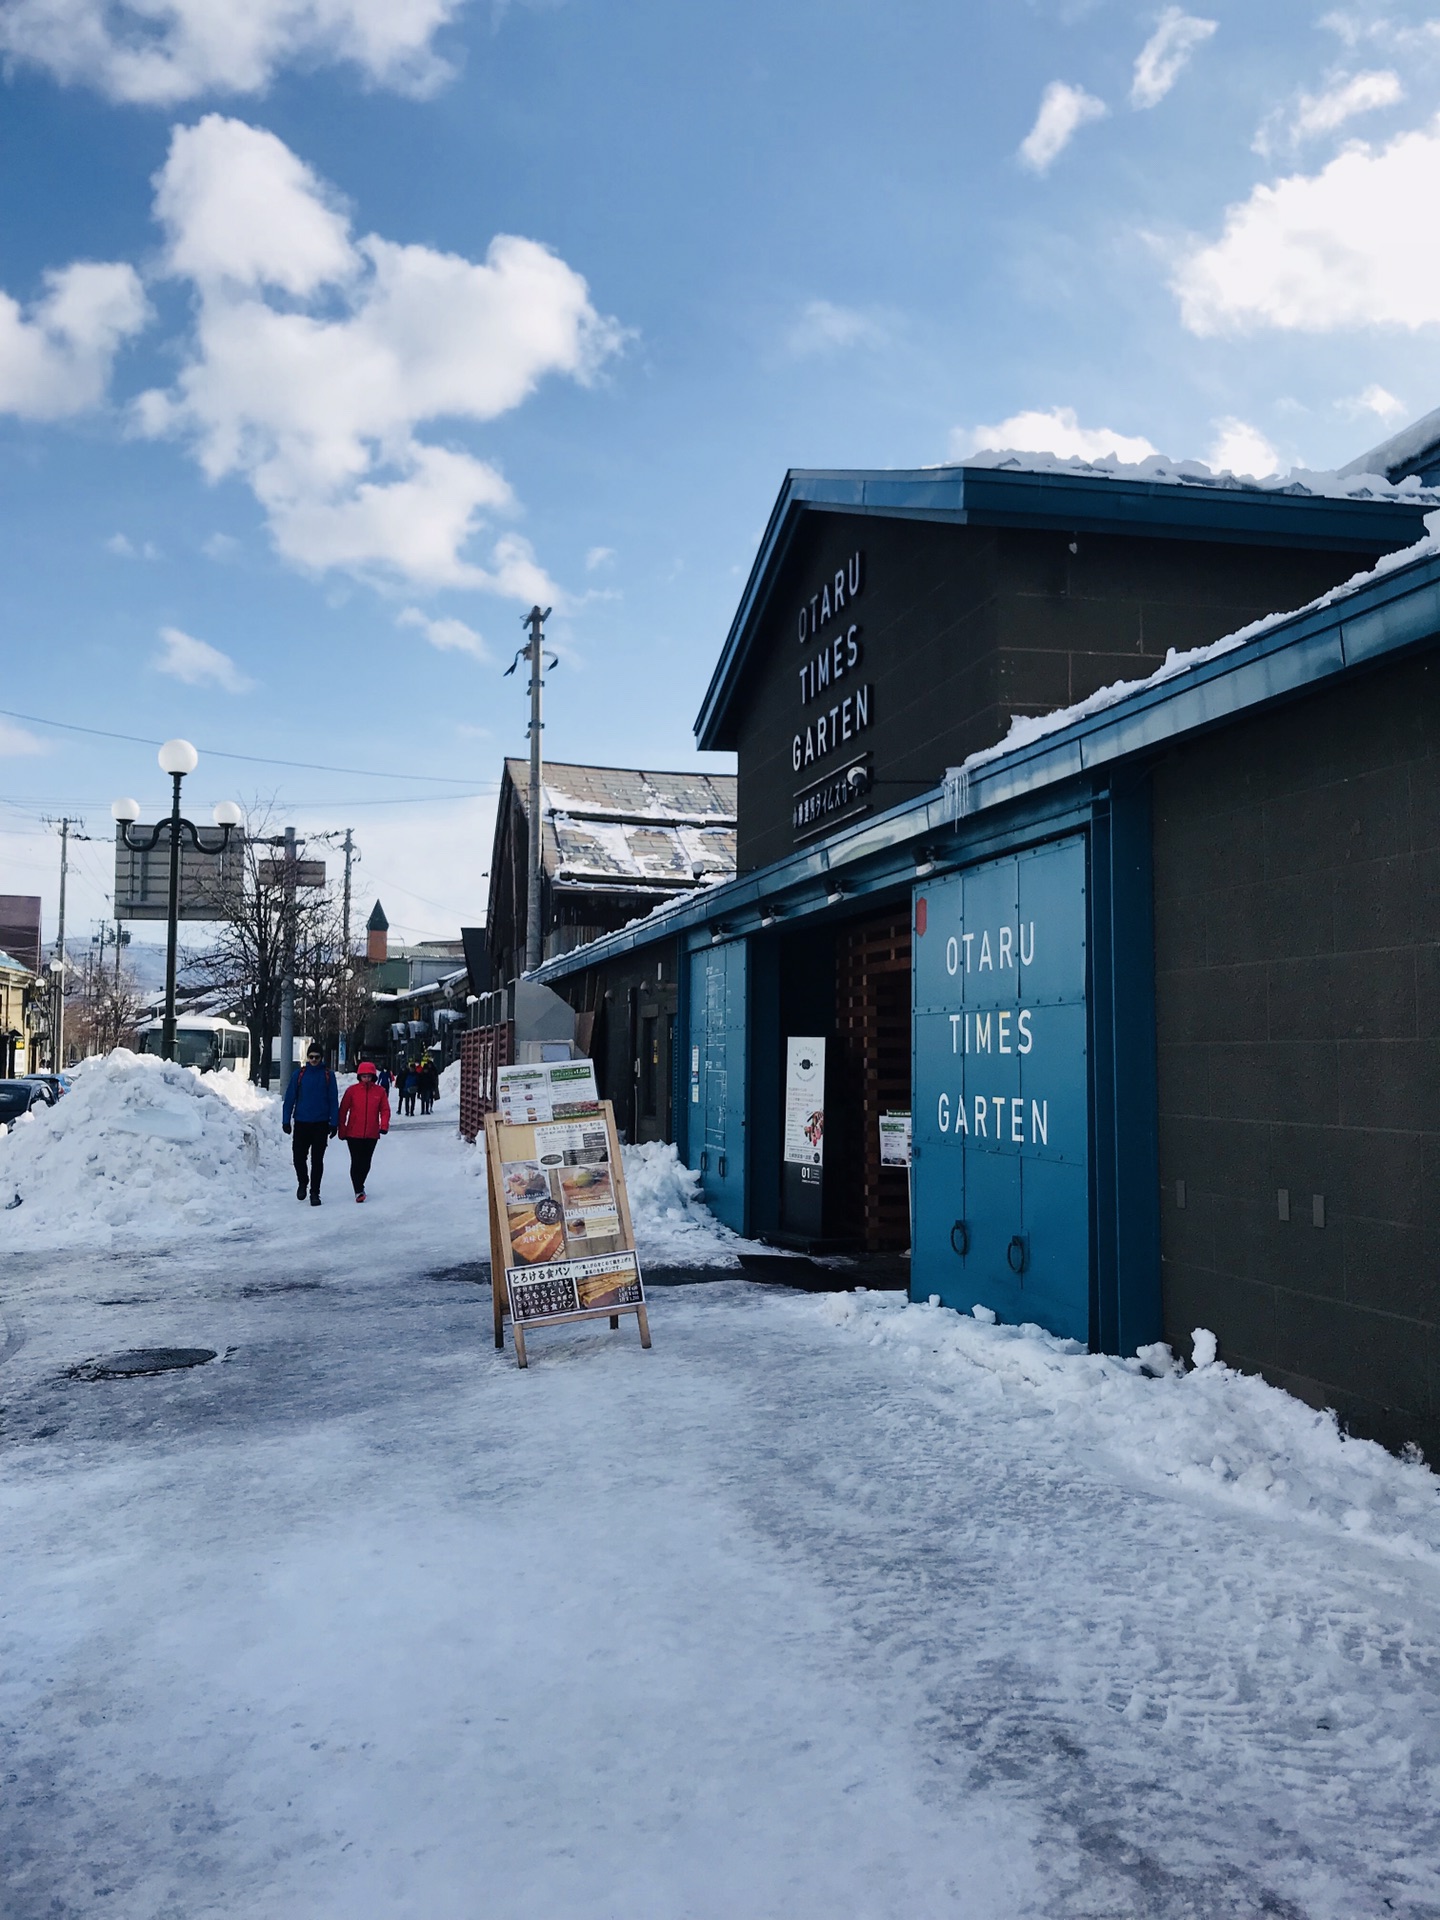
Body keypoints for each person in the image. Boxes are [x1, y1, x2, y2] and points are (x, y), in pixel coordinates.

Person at [282, 1044, 339, 1206]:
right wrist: (286, 1120)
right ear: (308, 1057)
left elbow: (333, 1100)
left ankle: (315, 1192)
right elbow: (290, 1098)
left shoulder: (328, 1076)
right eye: (311, 1057)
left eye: (317, 1057)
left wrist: (334, 1123)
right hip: (301, 1123)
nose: (314, 1060)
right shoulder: (299, 1075)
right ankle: (303, 1181)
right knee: (298, 1157)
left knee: (317, 1160)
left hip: (320, 1124)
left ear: (321, 1058)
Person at [338, 1059, 390, 1202]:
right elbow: (343, 1111)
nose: (366, 1079)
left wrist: (383, 1125)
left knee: (366, 1162)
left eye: (369, 1076)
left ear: (373, 1077)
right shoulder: (352, 1091)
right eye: (363, 1076)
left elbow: (385, 1110)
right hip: (353, 1133)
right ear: (359, 1076)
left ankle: (360, 1184)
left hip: (371, 1133)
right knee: (356, 1161)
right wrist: (342, 1130)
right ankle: (358, 1189)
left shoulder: (380, 1092)